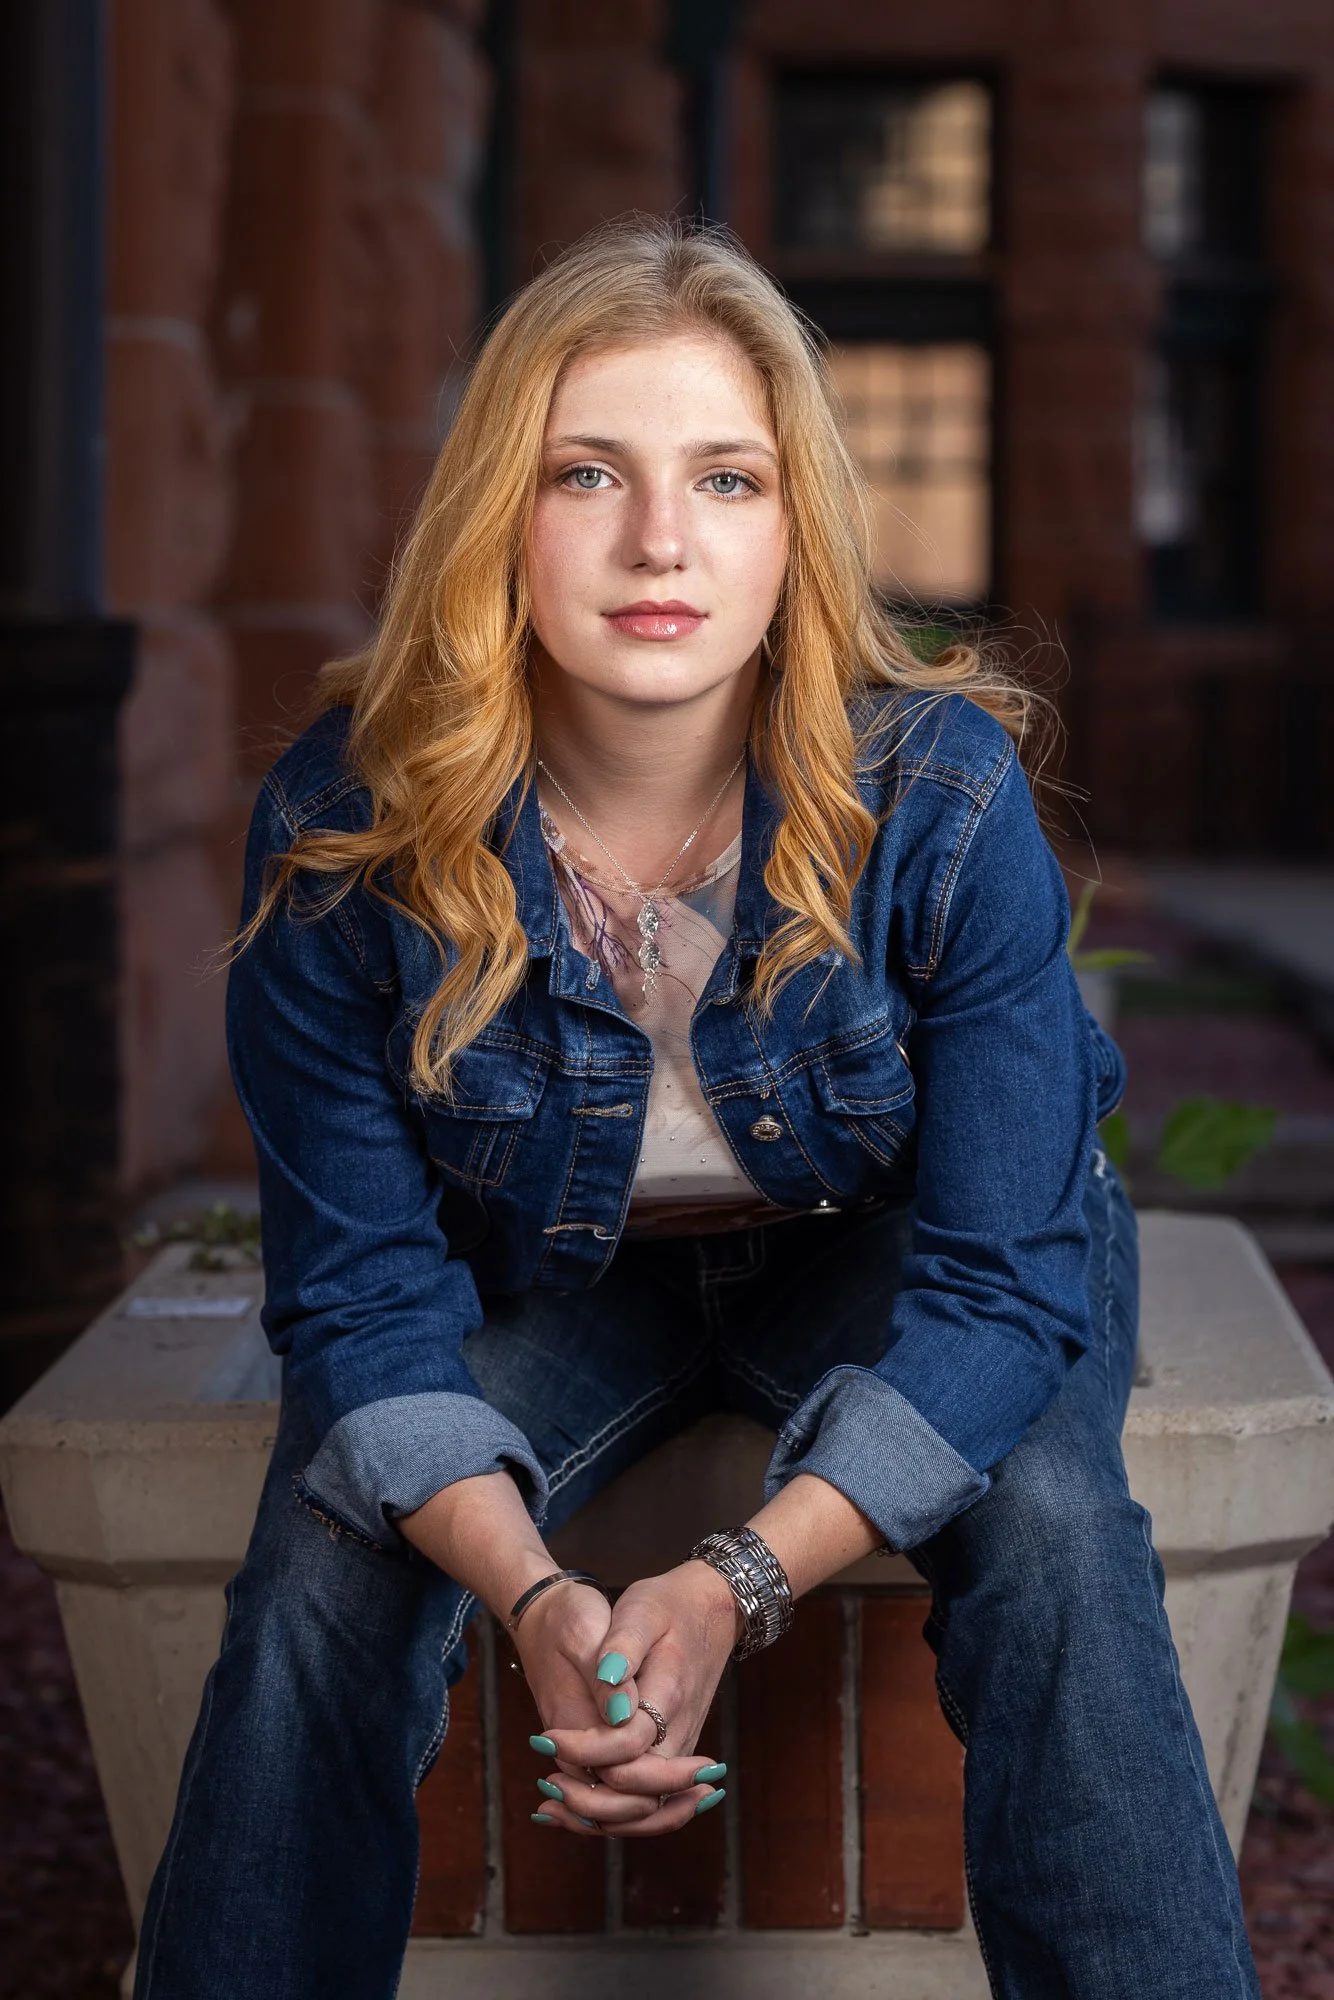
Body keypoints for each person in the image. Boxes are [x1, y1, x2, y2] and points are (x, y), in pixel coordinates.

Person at [133, 217, 1259, 2000]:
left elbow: (1007, 1287)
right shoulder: (353, 830)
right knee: (326, 1564)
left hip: (894, 1261)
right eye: (589, 473)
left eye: (725, 479)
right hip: (553, 1275)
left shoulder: (938, 799)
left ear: (794, 527)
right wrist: (534, 1594)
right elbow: (359, 1299)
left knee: (1049, 1527)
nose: (661, 541)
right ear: (499, 515)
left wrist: (730, 1581)